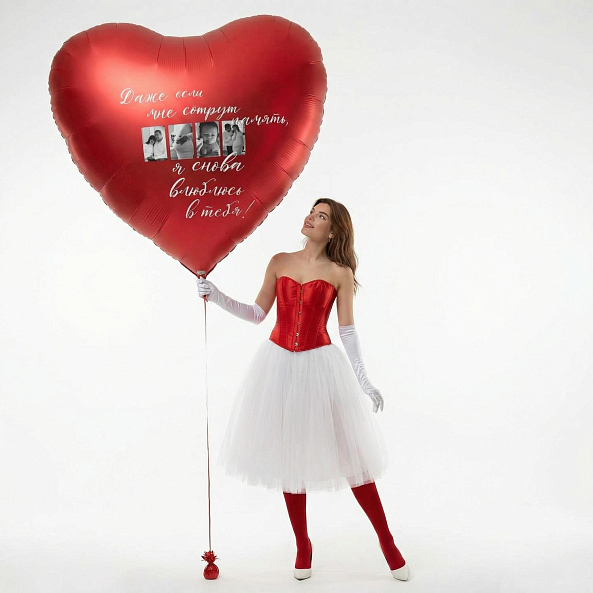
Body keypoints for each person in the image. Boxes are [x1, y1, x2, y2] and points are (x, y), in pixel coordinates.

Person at [196, 198, 410, 582]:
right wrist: (216, 294)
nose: (311, 217)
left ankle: (387, 540)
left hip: (320, 365)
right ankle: (302, 544)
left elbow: (347, 331)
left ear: (333, 231)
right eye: (312, 211)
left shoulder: (340, 273)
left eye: (321, 216)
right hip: (279, 364)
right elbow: (258, 314)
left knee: (352, 453)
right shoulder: (279, 261)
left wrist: (364, 379)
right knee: (290, 456)